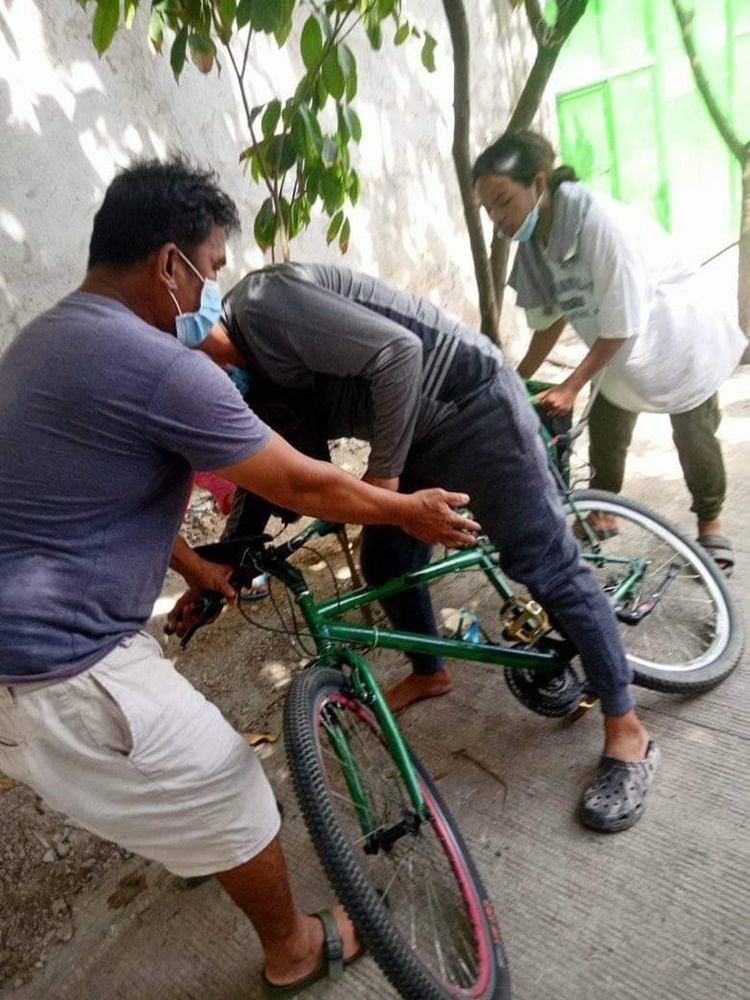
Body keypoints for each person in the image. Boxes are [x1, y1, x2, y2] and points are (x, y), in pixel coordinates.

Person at [0, 157, 479, 997]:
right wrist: (405, 509)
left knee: (139, 780)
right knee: (233, 787)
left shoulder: (43, 340)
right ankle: (295, 945)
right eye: (212, 269)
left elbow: (82, 494)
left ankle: (186, 838)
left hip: (19, 671)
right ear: (168, 263)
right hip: (65, 667)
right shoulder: (158, 364)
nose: (213, 294)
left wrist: (195, 565)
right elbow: (296, 481)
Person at [166, 260, 660, 834]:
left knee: (546, 567)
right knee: (387, 561)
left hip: (471, 406)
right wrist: (219, 568)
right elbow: (275, 473)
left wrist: (384, 487)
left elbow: (398, 353)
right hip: (412, 439)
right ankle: (431, 672)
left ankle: (627, 729)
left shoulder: (265, 304)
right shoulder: (242, 384)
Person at [472, 129, 746, 575]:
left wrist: (572, 382)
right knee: (606, 429)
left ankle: (710, 523)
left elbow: (625, 320)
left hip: (674, 333)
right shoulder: (535, 240)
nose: (497, 217)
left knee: (694, 434)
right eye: (488, 209)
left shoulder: (598, 224)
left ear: (538, 184)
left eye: (503, 201)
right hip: (617, 342)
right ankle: (605, 509)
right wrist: (516, 377)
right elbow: (550, 318)